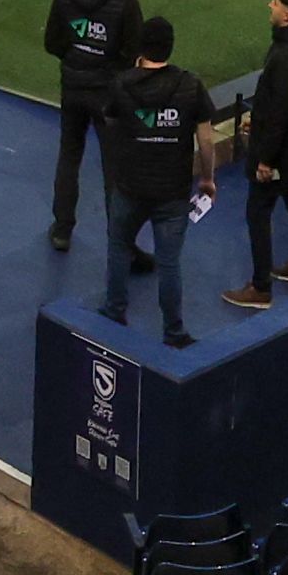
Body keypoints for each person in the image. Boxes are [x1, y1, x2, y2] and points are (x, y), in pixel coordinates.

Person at [94, 21, 209, 348]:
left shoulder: (122, 84)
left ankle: (114, 311)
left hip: (130, 185)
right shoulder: (190, 85)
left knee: (118, 246)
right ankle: (174, 332)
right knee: (169, 262)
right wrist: (208, 178)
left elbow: (111, 123)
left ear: (142, 48)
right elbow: (206, 138)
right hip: (172, 191)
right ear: (171, 47)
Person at [38, 0, 144, 255]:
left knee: (69, 155)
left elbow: (52, 42)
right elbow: (133, 52)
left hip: (73, 87)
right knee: (115, 168)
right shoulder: (125, 2)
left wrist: (77, 57)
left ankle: (62, 228)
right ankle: (120, 239)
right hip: (108, 94)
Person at [218, 0, 288, 309]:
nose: (270, 6)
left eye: (276, 4)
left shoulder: (283, 57)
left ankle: (260, 287)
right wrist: (258, 118)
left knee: (257, 211)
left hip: (278, 152)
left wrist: (265, 159)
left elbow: (278, 113)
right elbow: (284, 104)